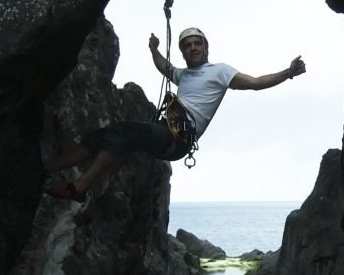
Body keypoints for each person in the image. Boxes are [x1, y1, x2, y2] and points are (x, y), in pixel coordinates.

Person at [45, 27, 306, 201]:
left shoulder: (220, 72)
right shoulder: (184, 75)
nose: (192, 48)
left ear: (205, 47)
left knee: (122, 131)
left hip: (176, 139)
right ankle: (48, 170)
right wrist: (153, 48)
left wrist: (288, 72)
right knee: (101, 136)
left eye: (197, 43)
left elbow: (256, 82)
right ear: (183, 51)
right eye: (187, 45)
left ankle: (80, 186)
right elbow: (164, 68)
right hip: (165, 132)